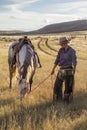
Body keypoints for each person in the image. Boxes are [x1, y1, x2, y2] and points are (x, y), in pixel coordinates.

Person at [51, 37, 77, 104]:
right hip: (61, 70)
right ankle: (57, 101)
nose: (61, 45)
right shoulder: (60, 50)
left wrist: (74, 69)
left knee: (68, 87)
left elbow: (74, 61)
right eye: (61, 44)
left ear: (66, 43)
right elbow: (57, 60)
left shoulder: (72, 51)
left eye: (62, 44)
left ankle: (66, 103)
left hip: (69, 70)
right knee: (56, 86)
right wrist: (53, 69)